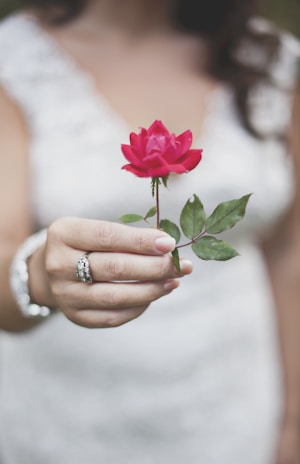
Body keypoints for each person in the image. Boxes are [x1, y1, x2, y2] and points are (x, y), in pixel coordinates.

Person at [0, 0, 299, 462]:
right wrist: (41, 276)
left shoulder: (270, 61)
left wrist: (294, 416)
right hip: (70, 418)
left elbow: (290, 255)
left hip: (236, 406)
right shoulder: (15, 61)